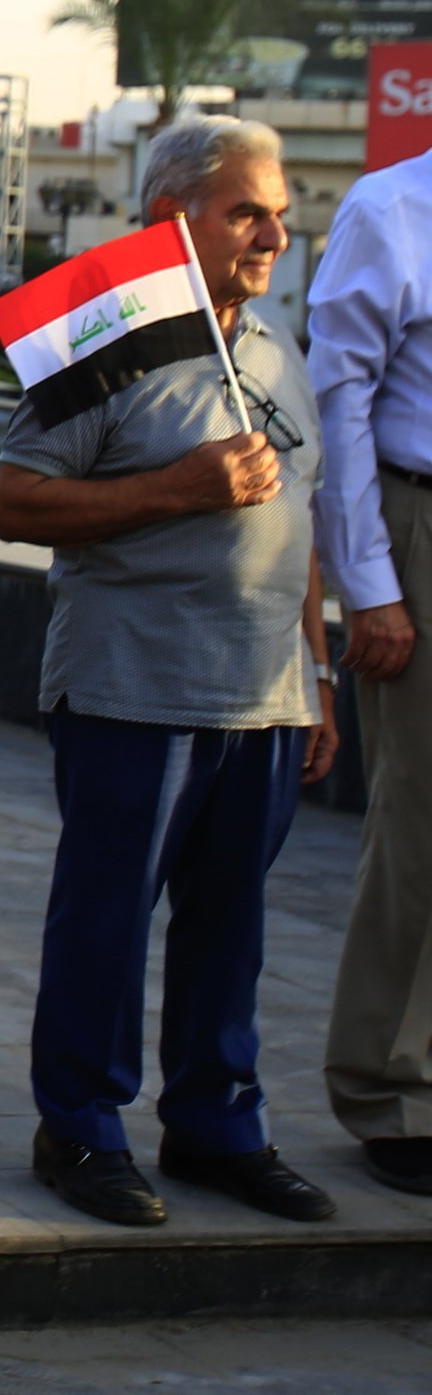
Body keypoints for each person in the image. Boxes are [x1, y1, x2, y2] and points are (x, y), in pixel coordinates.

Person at [0, 118, 337, 1228]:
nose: (274, 233)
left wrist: (316, 672)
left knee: (231, 926)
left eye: (279, 210)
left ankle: (215, 1123)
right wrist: (175, 488)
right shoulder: (103, 346)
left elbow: (304, 518)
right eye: (247, 209)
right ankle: (81, 1125)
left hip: (266, 694)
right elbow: (16, 502)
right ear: (167, 217)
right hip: (132, 690)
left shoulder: (278, 349)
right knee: (105, 920)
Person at [307, 129, 432, 1196]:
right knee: (421, 821)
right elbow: (338, 399)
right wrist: (372, 583)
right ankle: (393, 1089)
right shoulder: (392, 209)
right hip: (419, 520)